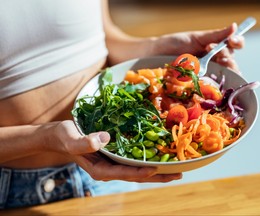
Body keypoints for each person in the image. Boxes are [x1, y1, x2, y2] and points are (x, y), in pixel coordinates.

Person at [0, 0, 244, 209]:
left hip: (109, 171)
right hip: (13, 193)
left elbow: (103, 39)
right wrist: (45, 137)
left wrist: (155, 48)